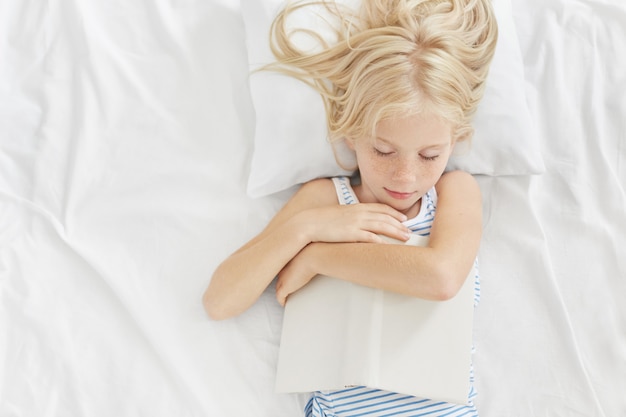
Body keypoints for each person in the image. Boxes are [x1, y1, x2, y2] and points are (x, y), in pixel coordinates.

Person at [204, 0, 497, 415]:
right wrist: (302, 230)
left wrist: (318, 259)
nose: (405, 177)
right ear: (351, 134)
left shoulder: (454, 192)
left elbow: (442, 277)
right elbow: (220, 301)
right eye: (382, 150)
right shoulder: (326, 201)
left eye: (430, 155)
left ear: (455, 142)